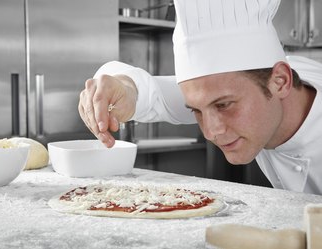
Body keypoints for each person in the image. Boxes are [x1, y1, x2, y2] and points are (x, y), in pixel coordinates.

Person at [78, 0, 322, 195]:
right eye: (196, 111)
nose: (211, 132)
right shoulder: (254, 82)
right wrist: (122, 86)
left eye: (224, 105)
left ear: (281, 81)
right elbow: (150, 95)